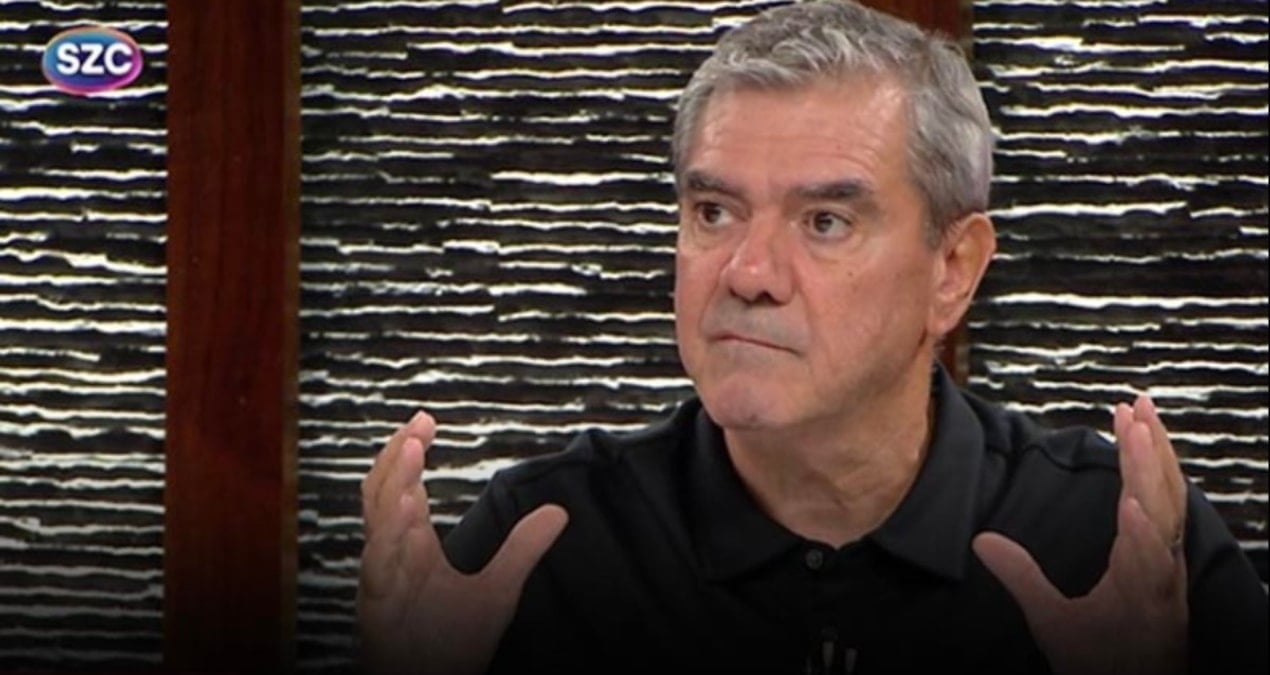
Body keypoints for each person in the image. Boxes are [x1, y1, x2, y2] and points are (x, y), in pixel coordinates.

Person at [356, 2, 1268, 673]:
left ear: (952, 268)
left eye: (825, 222)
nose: (748, 272)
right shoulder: (546, 544)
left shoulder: (1111, 541)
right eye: (714, 211)